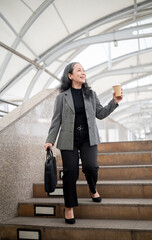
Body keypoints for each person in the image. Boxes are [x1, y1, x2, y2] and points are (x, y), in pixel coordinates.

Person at [44, 62, 123, 224]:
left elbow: (100, 114)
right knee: (70, 171)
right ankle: (69, 207)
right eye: (79, 70)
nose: (83, 72)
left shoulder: (91, 94)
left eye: (84, 70)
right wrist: (49, 140)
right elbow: (56, 120)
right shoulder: (62, 97)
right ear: (70, 76)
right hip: (68, 139)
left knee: (91, 167)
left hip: (88, 137)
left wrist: (114, 101)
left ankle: (92, 188)